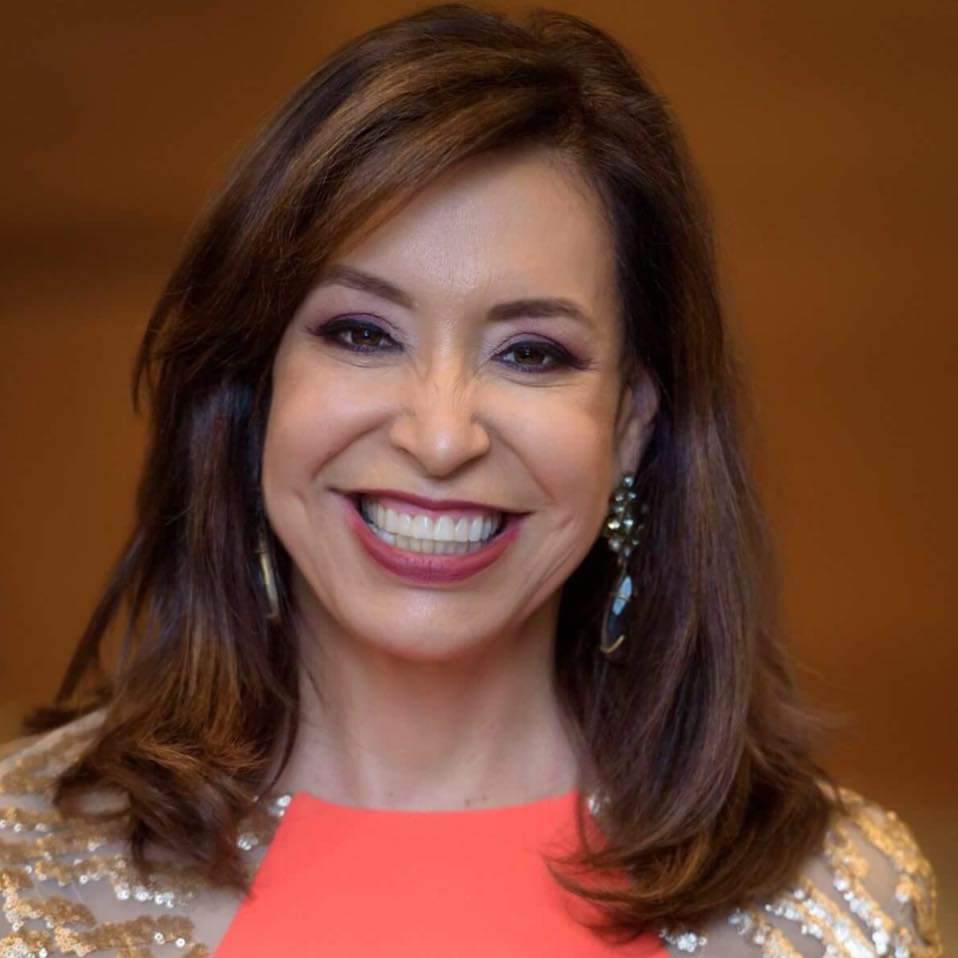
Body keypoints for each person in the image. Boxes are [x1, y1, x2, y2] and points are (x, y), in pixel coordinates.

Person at [0, 4, 942, 956]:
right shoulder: (21, 877)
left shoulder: (837, 906)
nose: (443, 437)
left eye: (531, 353)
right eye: (362, 334)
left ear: (630, 424)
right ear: (255, 388)